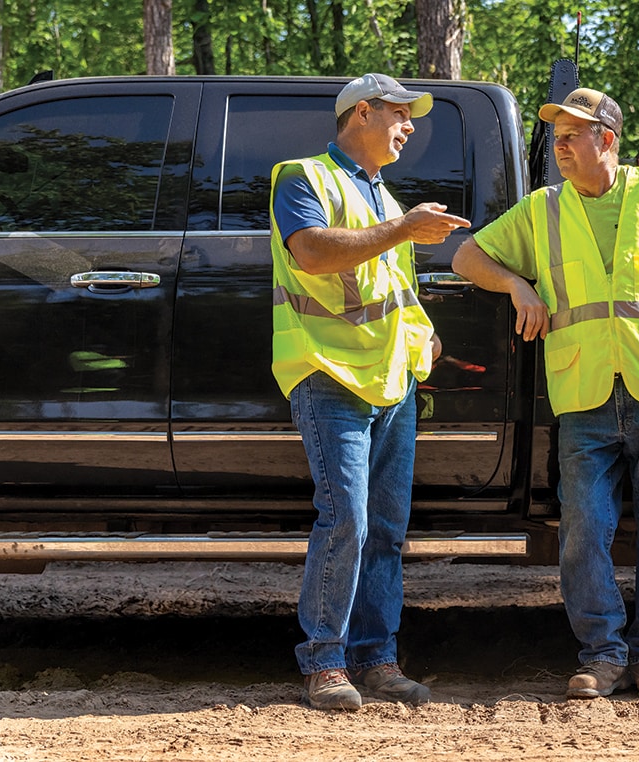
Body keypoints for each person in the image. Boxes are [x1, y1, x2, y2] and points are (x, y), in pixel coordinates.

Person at [452, 87, 639, 699]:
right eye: (556, 135)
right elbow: (465, 257)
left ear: (606, 141)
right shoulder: (543, 209)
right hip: (584, 390)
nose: (559, 145)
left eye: (571, 135)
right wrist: (515, 285)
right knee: (585, 531)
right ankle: (602, 654)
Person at [269, 73, 471, 711]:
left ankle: (377, 659)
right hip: (329, 373)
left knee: (385, 528)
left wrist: (426, 335)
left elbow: (396, 289)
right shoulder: (301, 177)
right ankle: (325, 663)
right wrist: (404, 230)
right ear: (362, 113)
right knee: (348, 521)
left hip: (391, 381)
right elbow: (311, 253)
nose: (410, 126)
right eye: (400, 114)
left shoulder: (386, 200)